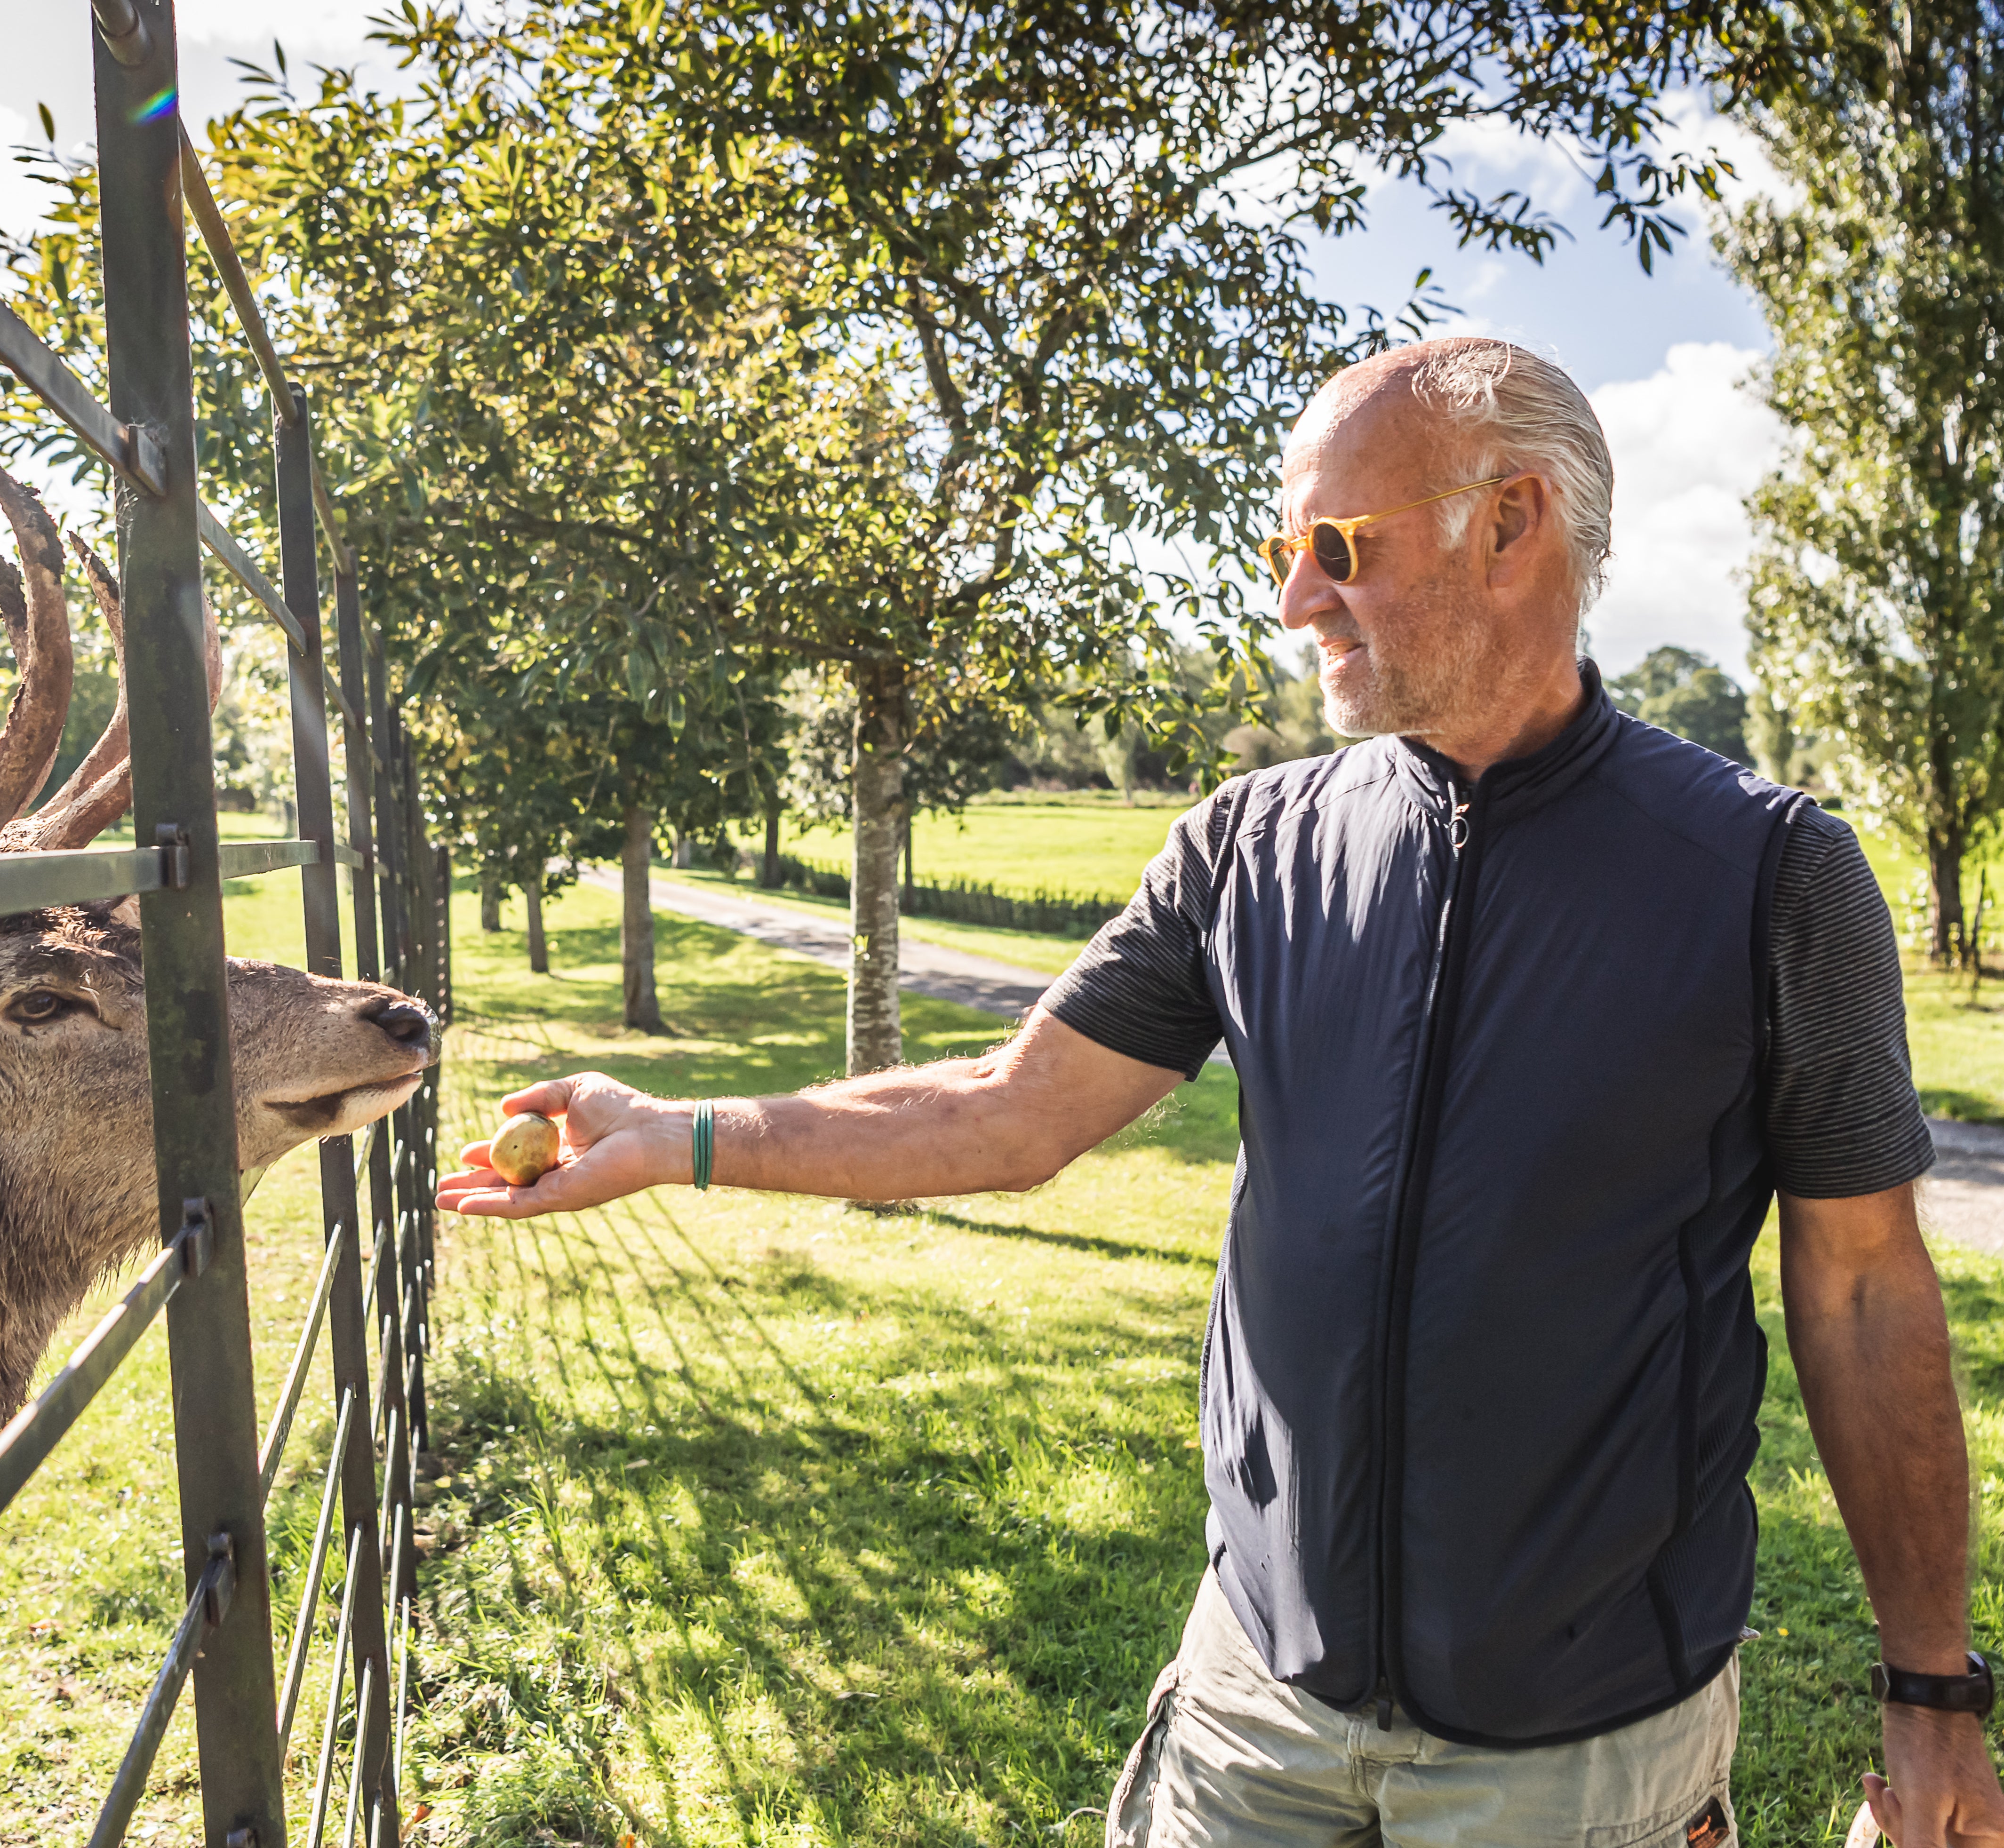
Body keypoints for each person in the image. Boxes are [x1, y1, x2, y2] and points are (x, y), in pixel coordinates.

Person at [435, 337, 2004, 1847]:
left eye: (1336, 543)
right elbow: (1008, 1102)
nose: (1291, 598)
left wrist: (1930, 1687)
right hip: (1255, 1700)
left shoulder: (1764, 870)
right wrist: (679, 1138)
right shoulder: (1248, 845)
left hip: (1579, 1749)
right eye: (1282, 547)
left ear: (1512, 520)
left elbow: (1863, 1286)